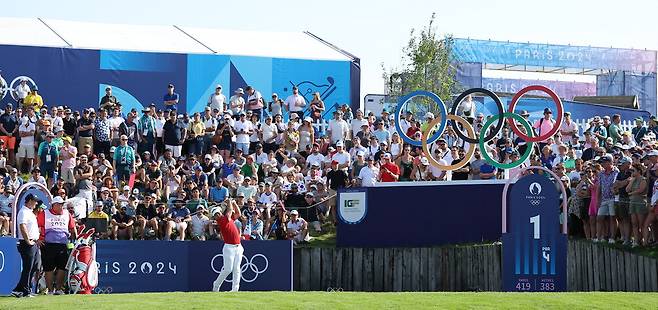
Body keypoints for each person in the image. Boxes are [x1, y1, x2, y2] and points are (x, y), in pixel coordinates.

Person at [37, 196, 76, 295]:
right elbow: (37, 226)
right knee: (48, 268)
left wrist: (74, 239)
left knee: (62, 267)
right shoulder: (44, 214)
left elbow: (72, 228)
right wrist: (38, 239)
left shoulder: (67, 214)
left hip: (63, 245)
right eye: (59, 204)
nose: (62, 206)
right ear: (54, 205)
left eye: (62, 204)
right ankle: (50, 290)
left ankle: (58, 289)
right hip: (48, 244)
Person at [12, 193, 42, 298]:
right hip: (26, 243)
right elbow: (22, 226)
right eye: (35, 201)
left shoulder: (30, 212)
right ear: (29, 201)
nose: (36, 203)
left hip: (33, 242)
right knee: (28, 267)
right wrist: (28, 240)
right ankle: (25, 291)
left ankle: (21, 289)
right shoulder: (23, 212)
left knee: (35, 266)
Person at [212, 199, 244, 292]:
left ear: (220, 212)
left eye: (217, 213)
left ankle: (235, 290)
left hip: (238, 247)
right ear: (215, 217)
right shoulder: (222, 221)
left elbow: (238, 213)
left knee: (236, 269)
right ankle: (216, 285)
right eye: (215, 215)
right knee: (228, 269)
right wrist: (230, 201)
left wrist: (234, 203)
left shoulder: (227, 219)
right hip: (229, 248)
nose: (217, 215)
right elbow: (230, 210)